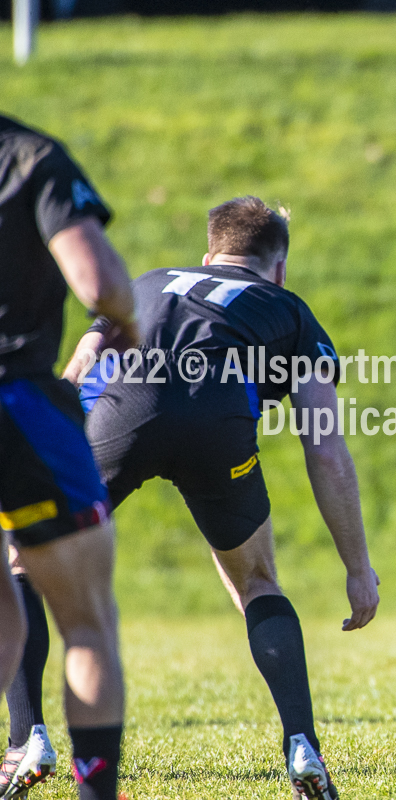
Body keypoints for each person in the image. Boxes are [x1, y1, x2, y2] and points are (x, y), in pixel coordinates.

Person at [60, 196, 379, 800]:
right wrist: (358, 569)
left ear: (209, 254)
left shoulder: (148, 281)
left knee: (28, 565)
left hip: (119, 413)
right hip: (218, 420)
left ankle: (28, 737)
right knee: (257, 581)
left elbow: (78, 368)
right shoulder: (288, 308)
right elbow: (326, 448)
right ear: (277, 267)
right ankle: (302, 743)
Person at [0, 113, 137, 800]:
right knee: (86, 622)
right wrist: (133, 324)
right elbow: (98, 283)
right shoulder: (28, 158)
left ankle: (23, 739)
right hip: (15, 406)